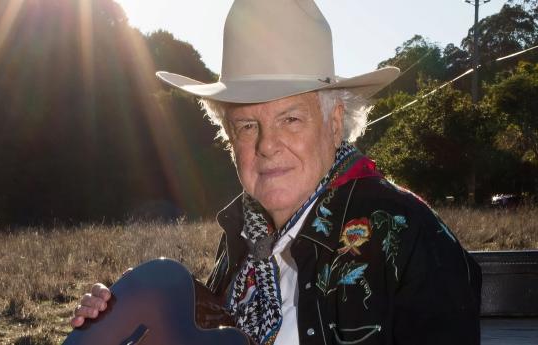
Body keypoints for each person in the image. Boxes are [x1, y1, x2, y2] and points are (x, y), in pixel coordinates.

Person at [71, 0, 481, 344]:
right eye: (247, 126)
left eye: (291, 119)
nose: (267, 145)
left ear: (335, 122)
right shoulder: (242, 237)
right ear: (229, 137)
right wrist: (123, 318)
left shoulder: (408, 235)